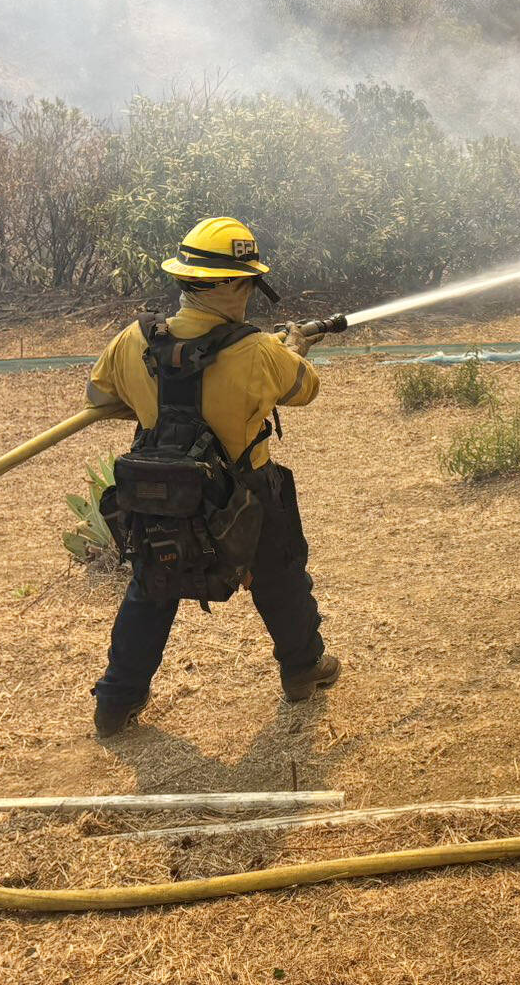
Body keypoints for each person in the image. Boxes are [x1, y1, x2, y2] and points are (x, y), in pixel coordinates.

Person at [85, 218, 341, 737]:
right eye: (246, 281)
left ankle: (115, 704)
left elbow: (97, 398)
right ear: (228, 284)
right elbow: (303, 389)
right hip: (245, 494)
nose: (249, 291)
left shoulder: (132, 340)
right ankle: (302, 670)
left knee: (150, 589)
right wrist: (292, 348)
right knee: (280, 578)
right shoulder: (259, 352)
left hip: (161, 496)